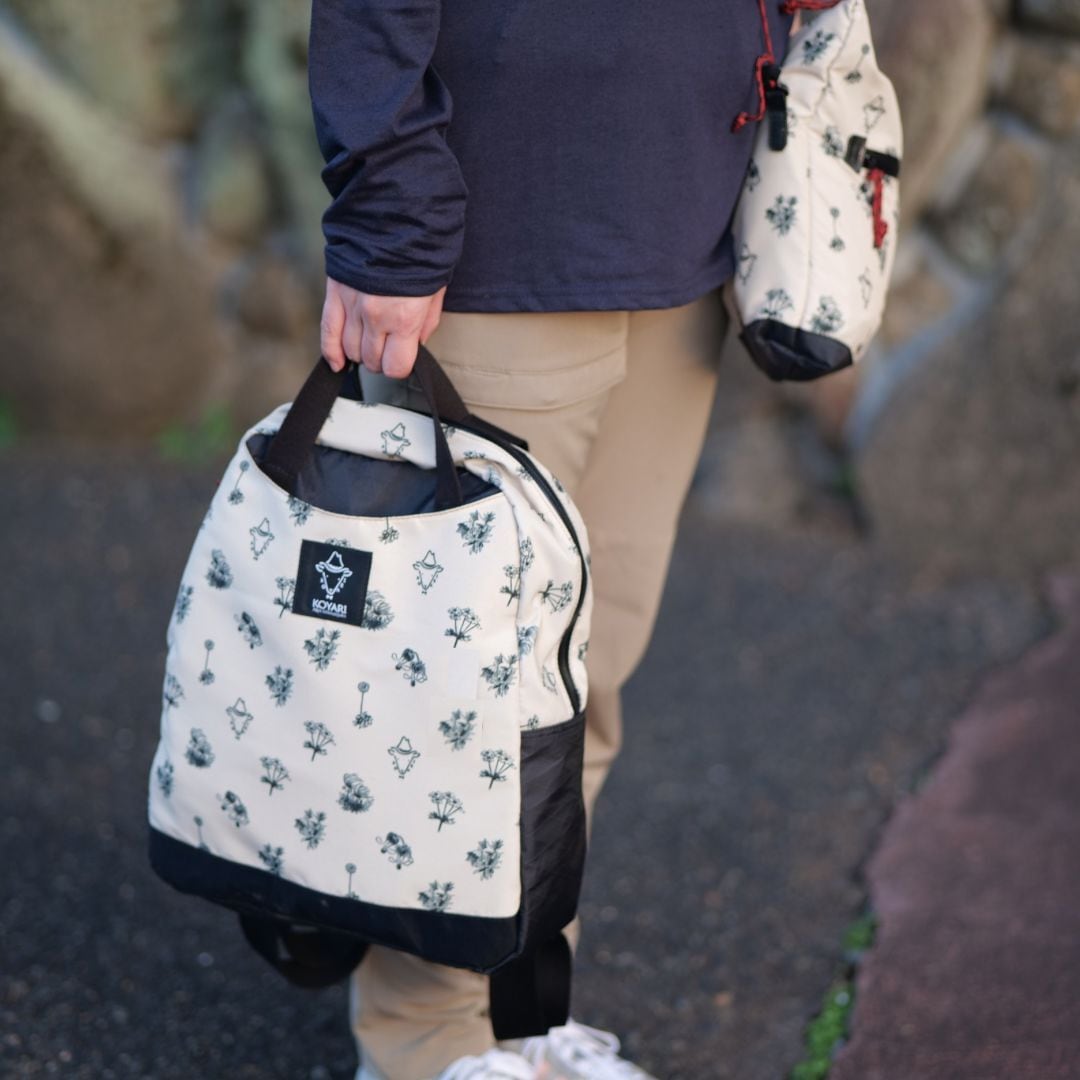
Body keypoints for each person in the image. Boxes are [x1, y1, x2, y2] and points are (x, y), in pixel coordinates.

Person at [308, 2, 794, 1077]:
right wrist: (389, 216)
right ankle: (425, 1043)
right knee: (457, 694)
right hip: (497, 240)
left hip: (684, 233)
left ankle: (516, 1015)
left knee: (583, 682)